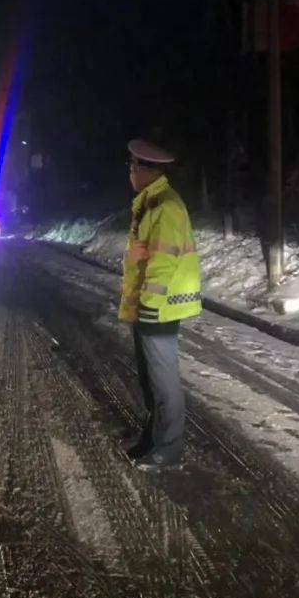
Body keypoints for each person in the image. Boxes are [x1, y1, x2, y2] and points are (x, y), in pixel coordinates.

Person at [119, 139, 202, 470]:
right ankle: (152, 439)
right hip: (150, 307)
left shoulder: (164, 207)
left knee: (164, 384)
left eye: (132, 168)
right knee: (150, 381)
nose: (130, 173)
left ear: (144, 170)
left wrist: (150, 304)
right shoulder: (150, 203)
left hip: (160, 309)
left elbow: (163, 261)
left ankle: (169, 450)